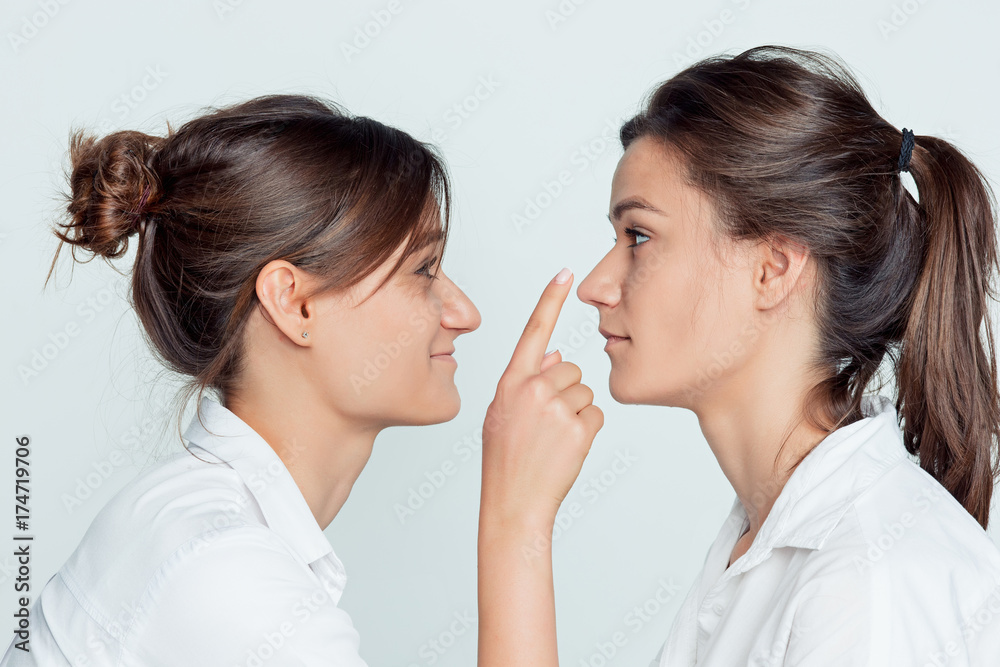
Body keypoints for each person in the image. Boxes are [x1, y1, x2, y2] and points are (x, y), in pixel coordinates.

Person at [1, 93, 590, 666]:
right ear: (295, 304)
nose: (465, 314)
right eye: (424, 269)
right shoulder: (223, 572)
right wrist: (518, 522)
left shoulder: (187, 520)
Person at [476, 45, 1000, 666]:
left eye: (638, 236)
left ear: (773, 268)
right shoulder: (763, 539)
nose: (596, 285)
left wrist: (515, 525)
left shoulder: (870, 581)